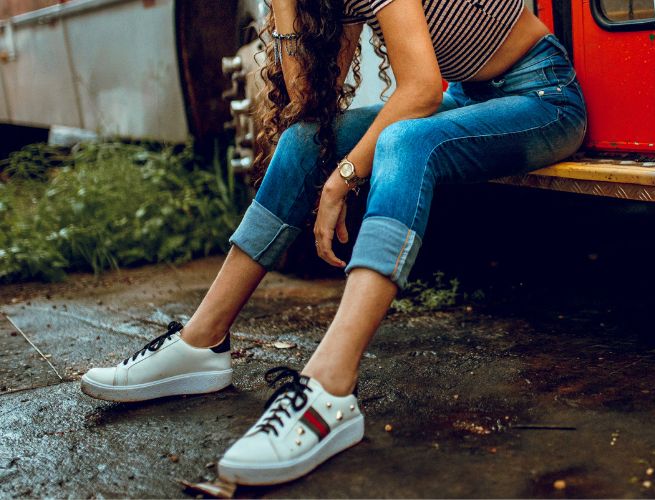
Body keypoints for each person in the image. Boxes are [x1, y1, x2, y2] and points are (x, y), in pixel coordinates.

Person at [79, 0, 587, 486]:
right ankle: (201, 343)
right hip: (470, 98)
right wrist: (281, 8)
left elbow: (422, 90)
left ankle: (330, 385)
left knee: (405, 139)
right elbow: (309, 105)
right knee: (303, 141)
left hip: (541, 97)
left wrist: (342, 178)